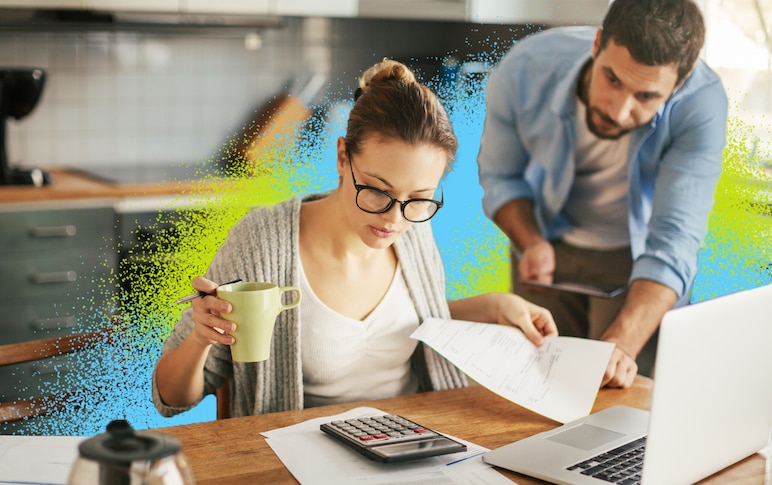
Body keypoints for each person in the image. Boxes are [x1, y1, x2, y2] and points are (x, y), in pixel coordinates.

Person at [152, 59, 557, 418]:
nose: (395, 219)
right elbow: (171, 398)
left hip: (417, 440)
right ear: (343, 156)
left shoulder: (415, 228)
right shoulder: (262, 241)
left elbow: (409, 319)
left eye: (418, 199)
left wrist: (494, 305)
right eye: (379, 192)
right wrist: (201, 339)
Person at [477, 0, 728, 388]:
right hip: (547, 246)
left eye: (646, 96)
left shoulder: (701, 103)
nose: (619, 109)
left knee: (620, 400)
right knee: (538, 391)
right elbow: (500, 177)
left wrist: (621, 346)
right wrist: (531, 241)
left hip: (637, 265)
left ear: (678, 83)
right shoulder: (525, 69)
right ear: (597, 45)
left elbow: (674, 239)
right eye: (612, 79)